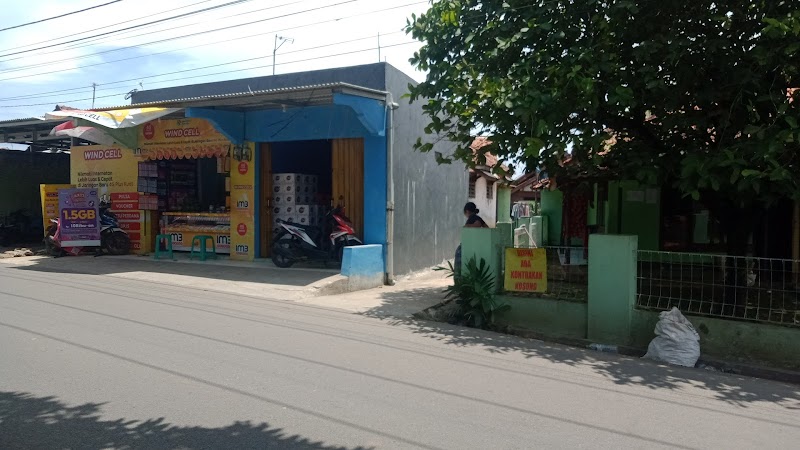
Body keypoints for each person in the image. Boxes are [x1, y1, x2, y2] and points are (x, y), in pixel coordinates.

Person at [455, 202, 488, 279]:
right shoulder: (478, 218)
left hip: (470, 245)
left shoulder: (473, 218)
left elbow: (478, 225)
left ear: (466, 211)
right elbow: (487, 228)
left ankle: (459, 280)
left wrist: (467, 226)